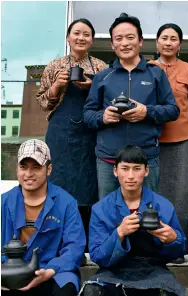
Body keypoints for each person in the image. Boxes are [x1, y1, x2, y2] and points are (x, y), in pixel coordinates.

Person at [83, 13, 180, 199]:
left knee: (147, 215)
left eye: (130, 37)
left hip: (146, 161)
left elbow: (172, 110)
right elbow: (87, 114)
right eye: (118, 39)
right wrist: (102, 117)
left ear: (141, 41)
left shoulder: (156, 74)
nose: (125, 43)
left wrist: (147, 112)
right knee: (108, 216)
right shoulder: (102, 77)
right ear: (112, 44)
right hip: (108, 160)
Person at [79, 145, 187, 296]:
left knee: (168, 292)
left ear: (146, 171)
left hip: (154, 270)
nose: (130, 176)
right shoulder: (101, 209)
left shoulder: (163, 205)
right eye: (125, 168)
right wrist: (120, 233)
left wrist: (172, 239)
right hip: (113, 271)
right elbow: (97, 256)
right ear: (115, 171)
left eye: (137, 169)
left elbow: (180, 250)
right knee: (92, 291)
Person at [36, 18, 107, 235]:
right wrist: (57, 85)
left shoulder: (102, 68)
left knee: (90, 185)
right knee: (60, 183)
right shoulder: (54, 66)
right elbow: (42, 103)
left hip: (91, 135)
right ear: (68, 37)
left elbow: (109, 102)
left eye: (86, 34)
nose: (81, 38)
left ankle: (86, 241)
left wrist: (92, 86)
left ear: (92, 40)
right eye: (76, 33)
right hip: (61, 135)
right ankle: (58, 237)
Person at [1, 139, 86, 296]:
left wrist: (50, 270)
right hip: (8, 272)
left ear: (49, 169)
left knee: (66, 288)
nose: (28, 174)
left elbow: (74, 247)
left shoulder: (66, 203)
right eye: (23, 167)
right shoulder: (3, 202)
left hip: (52, 272)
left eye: (36, 167)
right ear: (17, 169)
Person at [149, 23, 188, 234]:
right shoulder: (148, 68)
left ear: (179, 44)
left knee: (184, 192)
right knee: (156, 190)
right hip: (153, 139)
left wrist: (185, 124)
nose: (168, 43)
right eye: (164, 38)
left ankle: (183, 240)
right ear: (157, 42)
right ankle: (156, 239)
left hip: (182, 139)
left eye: (173, 39)